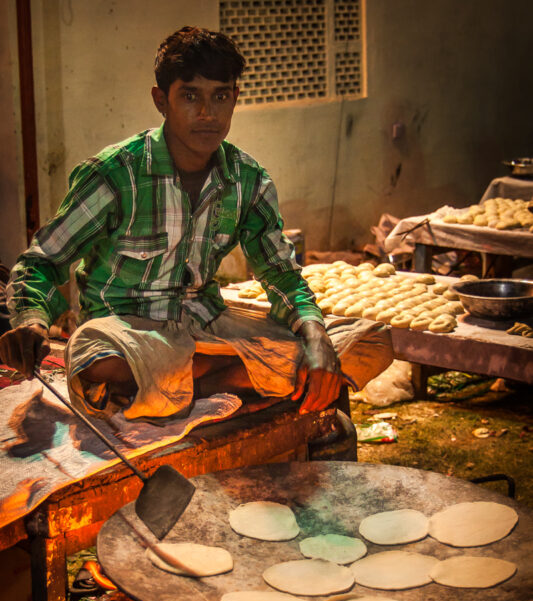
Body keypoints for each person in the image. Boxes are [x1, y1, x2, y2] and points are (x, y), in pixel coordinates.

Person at [1, 26, 391, 420]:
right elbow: (42, 261)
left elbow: (282, 275)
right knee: (95, 360)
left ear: (235, 97)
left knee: (368, 341)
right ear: (161, 100)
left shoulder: (248, 180)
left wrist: (316, 337)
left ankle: (202, 378)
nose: (208, 114)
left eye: (221, 96)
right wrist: (32, 322)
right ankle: (243, 373)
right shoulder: (115, 175)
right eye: (191, 96)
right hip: (129, 334)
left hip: (208, 326)